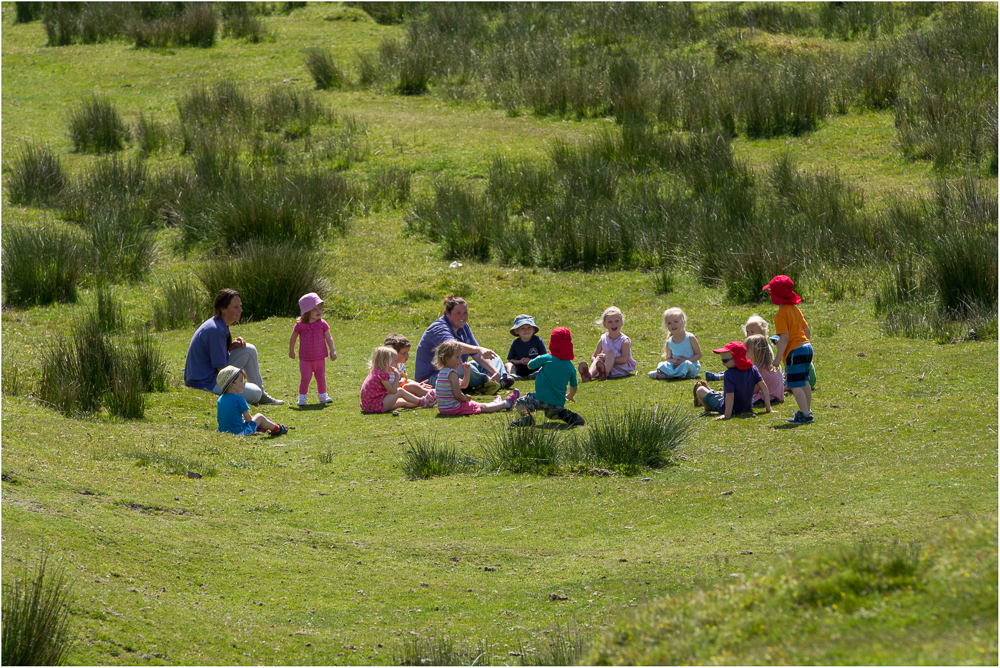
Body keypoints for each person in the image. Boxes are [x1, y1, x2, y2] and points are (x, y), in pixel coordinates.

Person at [184, 288, 283, 405]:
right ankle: (258, 395)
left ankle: (262, 395)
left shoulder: (219, 324)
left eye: (240, 306)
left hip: (211, 376)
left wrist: (231, 347)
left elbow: (215, 357)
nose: (240, 310)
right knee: (255, 393)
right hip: (205, 383)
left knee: (248, 349)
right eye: (235, 307)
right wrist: (240, 378)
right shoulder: (216, 330)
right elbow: (221, 369)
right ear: (223, 309)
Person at [414, 294, 513, 390]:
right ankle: (492, 381)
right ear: (447, 313)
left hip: (455, 367)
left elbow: (477, 355)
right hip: (433, 378)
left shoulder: (463, 326)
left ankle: (494, 378)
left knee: (494, 358)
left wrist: (495, 371)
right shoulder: (439, 328)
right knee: (467, 369)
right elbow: (453, 347)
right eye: (458, 313)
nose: (463, 316)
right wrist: (478, 349)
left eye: (465, 312)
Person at [763, 275, 814, 424]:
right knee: (804, 381)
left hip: (795, 351)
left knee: (794, 384)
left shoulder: (780, 314)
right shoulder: (795, 310)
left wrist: (777, 359)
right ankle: (806, 410)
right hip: (806, 347)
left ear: (775, 296)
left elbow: (784, 338)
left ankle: (805, 415)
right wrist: (804, 345)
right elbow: (807, 331)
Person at [511, 327, 584, 427]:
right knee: (551, 415)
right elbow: (574, 386)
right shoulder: (571, 367)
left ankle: (527, 417)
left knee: (520, 402)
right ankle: (561, 414)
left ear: (552, 342)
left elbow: (530, 365)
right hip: (558, 402)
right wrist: (570, 396)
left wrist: (538, 358)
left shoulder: (547, 358)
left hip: (540, 398)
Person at [433, 340, 519, 416]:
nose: (460, 360)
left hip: (444, 409)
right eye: (457, 357)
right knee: (482, 407)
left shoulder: (442, 373)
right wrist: (465, 398)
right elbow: (458, 396)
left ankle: (495, 403)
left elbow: (463, 385)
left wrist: (467, 372)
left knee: (477, 404)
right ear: (447, 359)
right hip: (454, 408)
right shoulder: (452, 373)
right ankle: (506, 403)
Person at [693, 342, 772, 420]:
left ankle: (708, 408)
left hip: (728, 408)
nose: (723, 364)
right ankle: (711, 392)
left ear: (736, 359)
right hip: (746, 407)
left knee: (700, 390)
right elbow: (764, 387)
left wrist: (727, 415)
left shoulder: (729, 374)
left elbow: (730, 395)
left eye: (725, 361)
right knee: (721, 394)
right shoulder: (753, 369)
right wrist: (768, 409)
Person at [745, 313, 816, 389]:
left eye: (752, 332)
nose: (749, 335)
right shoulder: (788, 354)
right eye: (747, 332)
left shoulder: (763, 347)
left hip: (805, 381)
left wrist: (782, 388)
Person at [289, 292, 336, 406]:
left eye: (320, 308)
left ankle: (323, 395)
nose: (319, 311)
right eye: (315, 309)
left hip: (320, 357)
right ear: (307, 311)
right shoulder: (300, 325)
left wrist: (332, 350)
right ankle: (302, 398)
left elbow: (329, 337)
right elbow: (293, 337)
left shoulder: (322, 324)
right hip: (305, 359)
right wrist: (291, 350)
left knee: (321, 377)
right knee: (305, 378)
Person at [216, 364, 290, 436]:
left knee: (245, 418)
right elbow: (249, 419)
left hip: (224, 433)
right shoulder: (239, 399)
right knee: (259, 417)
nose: (244, 383)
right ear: (232, 385)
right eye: (241, 381)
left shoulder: (220, 399)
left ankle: (262, 427)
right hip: (240, 433)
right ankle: (278, 429)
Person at [360, 346, 436, 414]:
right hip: (376, 405)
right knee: (400, 391)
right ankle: (423, 402)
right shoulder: (382, 374)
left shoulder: (376, 371)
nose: (397, 364)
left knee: (402, 402)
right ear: (385, 362)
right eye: (395, 361)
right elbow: (393, 391)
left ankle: (427, 403)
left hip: (369, 406)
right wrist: (397, 376)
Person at [579, 306, 636, 382]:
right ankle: (589, 375)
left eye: (616, 321)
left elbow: (624, 359)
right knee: (599, 357)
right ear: (604, 324)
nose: (613, 324)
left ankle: (604, 373)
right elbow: (594, 356)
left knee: (610, 352)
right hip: (604, 365)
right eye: (610, 322)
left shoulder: (624, 340)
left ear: (621, 322)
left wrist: (608, 358)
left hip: (619, 369)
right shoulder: (603, 338)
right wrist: (597, 360)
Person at [649, 307, 702, 380]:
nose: (672, 325)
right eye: (669, 323)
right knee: (663, 364)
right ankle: (674, 374)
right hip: (677, 366)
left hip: (690, 366)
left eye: (676, 321)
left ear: (683, 322)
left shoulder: (690, 337)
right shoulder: (669, 342)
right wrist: (674, 361)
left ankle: (669, 375)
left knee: (686, 364)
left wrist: (686, 360)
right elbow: (668, 358)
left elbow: (698, 354)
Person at [383, 334, 435, 401]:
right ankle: (437, 395)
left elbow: (405, 379)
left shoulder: (400, 365)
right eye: (403, 353)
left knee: (415, 387)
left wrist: (418, 384)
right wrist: (402, 382)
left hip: (400, 390)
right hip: (391, 394)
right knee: (412, 387)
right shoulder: (386, 369)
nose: (407, 356)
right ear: (392, 353)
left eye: (407, 352)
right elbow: (388, 388)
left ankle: (436, 393)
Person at [744, 334, 783, 407]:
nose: (744, 353)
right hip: (774, 398)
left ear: (756, 352)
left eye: (747, 351)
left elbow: (754, 390)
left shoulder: (758, 369)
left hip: (761, 399)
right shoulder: (774, 366)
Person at [505, 314, 547, 380]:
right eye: (522, 328)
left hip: (535, 366)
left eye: (529, 327)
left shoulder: (538, 340)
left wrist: (532, 360)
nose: (526, 330)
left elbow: (544, 356)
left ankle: (537, 373)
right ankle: (513, 375)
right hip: (521, 367)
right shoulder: (515, 343)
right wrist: (520, 361)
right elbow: (511, 359)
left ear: (533, 329)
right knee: (508, 364)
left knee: (546, 364)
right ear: (516, 331)